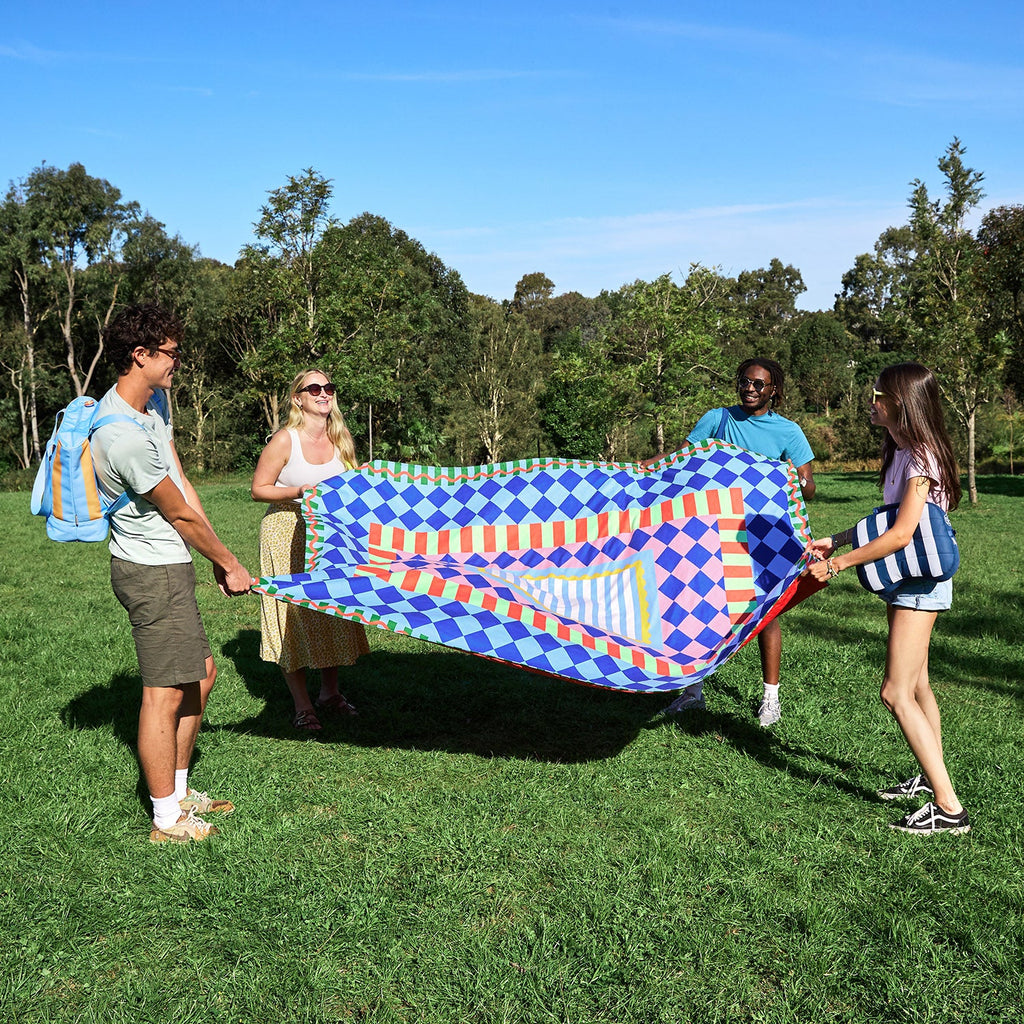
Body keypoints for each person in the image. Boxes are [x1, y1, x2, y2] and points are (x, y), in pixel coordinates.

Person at [91, 303, 253, 844]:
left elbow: (181, 482)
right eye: (171, 355)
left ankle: (179, 792)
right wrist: (228, 561)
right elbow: (176, 512)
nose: (177, 364)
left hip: (171, 562)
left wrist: (211, 555)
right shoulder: (122, 436)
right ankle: (166, 819)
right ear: (141, 355)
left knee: (201, 673)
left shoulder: (152, 405)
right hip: (150, 571)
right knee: (163, 692)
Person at [806, 363, 968, 834]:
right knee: (918, 686)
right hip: (916, 580)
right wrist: (834, 540)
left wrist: (837, 564)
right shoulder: (901, 451)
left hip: (921, 582)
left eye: (879, 393)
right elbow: (886, 518)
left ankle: (949, 807)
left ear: (902, 403)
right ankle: (928, 777)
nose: (871, 400)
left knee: (895, 692)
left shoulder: (920, 457)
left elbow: (900, 535)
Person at [657, 357, 816, 726]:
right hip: (712, 532)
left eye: (758, 384)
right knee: (701, 606)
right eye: (744, 381)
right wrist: (639, 470)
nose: (749, 388)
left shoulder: (789, 432)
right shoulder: (717, 419)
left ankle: (770, 698)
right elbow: (681, 459)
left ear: (773, 390)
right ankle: (692, 692)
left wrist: (790, 476)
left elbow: (808, 488)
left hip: (765, 535)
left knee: (767, 611)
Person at [251, 369, 370, 733]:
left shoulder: (341, 438)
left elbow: (349, 487)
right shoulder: (285, 440)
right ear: (297, 399)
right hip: (286, 530)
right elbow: (259, 488)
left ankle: (329, 694)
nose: (323, 393)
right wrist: (300, 491)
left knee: (330, 608)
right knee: (292, 614)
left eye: (328, 387)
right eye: (313, 388)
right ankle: (303, 706)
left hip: (330, 534)